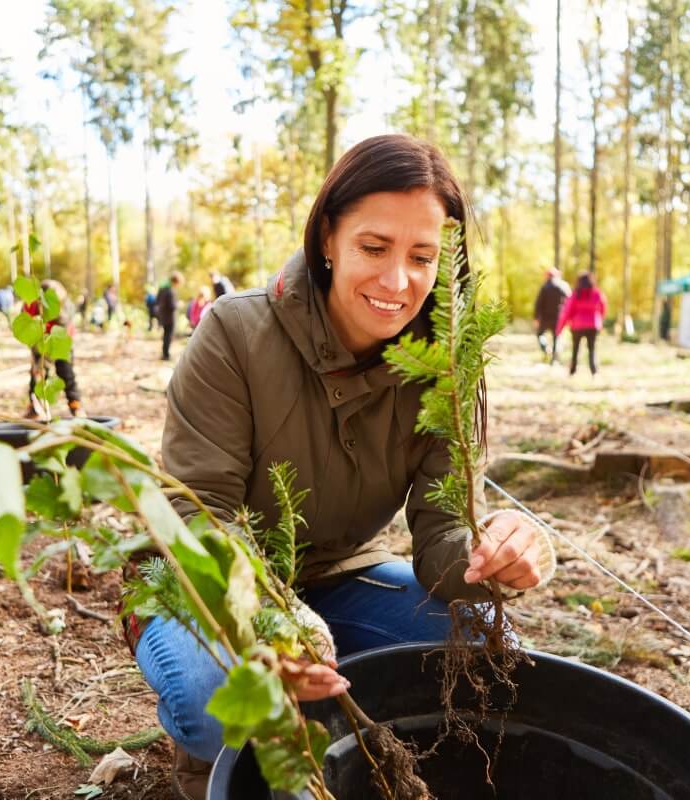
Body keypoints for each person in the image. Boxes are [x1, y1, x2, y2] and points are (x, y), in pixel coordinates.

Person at [123, 134, 557, 799]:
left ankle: (342, 717)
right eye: (374, 248)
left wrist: (494, 551)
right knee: (218, 698)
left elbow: (441, 540)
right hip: (204, 584)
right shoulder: (236, 336)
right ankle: (204, 751)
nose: (398, 281)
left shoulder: (446, 367)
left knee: (486, 649)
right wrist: (273, 618)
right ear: (328, 237)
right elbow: (196, 516)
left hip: (336, 577)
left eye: (423, 257)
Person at [23, 278, 84, 418]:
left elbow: (63, 327)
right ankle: (34, 407)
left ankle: (76, 406)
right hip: (39, 340)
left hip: (61, 340)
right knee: (36, 374)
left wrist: (51, 355)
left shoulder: (63, 309)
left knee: (66, 372)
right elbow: (26, 329)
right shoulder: (30, 306)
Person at [555, 271, 607, 376]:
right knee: (591, 349)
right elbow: (603, 307)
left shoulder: (575, 294)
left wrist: (559, 328)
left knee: (575, 349)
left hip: (577, 325)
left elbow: (567, 311)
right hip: (593, 325)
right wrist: (600, 319)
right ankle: (594, 372)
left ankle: (572, 371)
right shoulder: (596, 293)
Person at [533, 268, 571, 363]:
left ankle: (545, 348)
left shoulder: (544, 287)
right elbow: (569, 301)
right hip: (558, 316)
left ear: (548, 276)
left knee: (540, 334)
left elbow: (538, 304)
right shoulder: (563, 286)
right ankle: (554, 359)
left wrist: (536, 317)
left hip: (545, 317)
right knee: (556, 337)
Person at [155, 272, 182, 360]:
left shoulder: (162, 288)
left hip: (163, 315)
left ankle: (164, 353)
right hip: (170, 317)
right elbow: (172, 306)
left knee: (166, 334)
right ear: (176, 282)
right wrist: (178, 304)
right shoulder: (170, 291)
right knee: (168, 336)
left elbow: (157, 300)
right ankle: (166, 355)